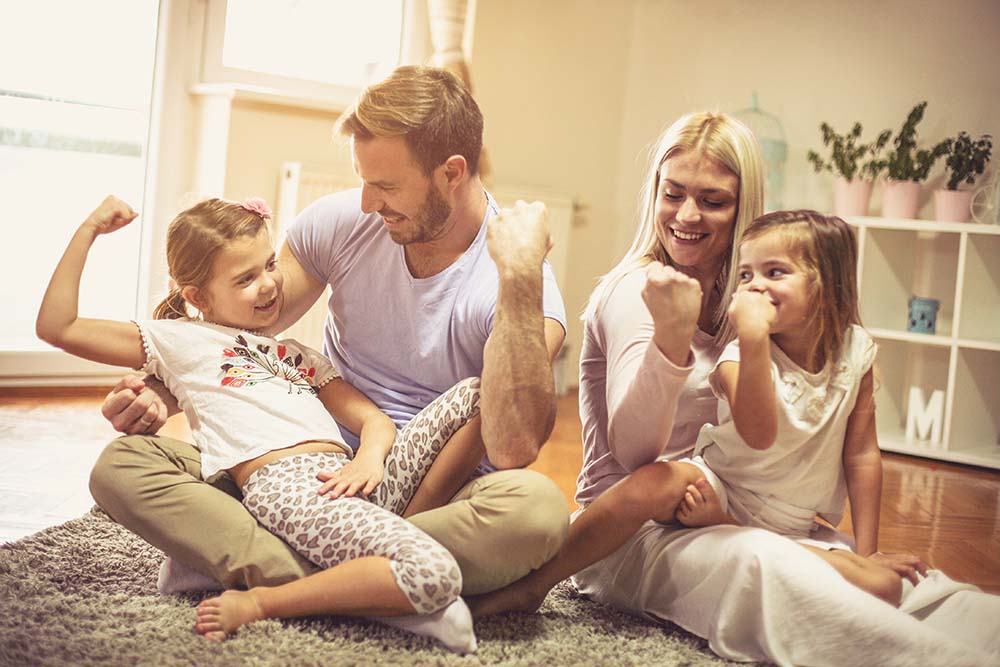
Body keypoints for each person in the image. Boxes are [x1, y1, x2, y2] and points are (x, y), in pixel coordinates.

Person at [480, 111, 1000, 666]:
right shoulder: (639, 289)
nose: (686, 215)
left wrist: (862, 552)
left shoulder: (759, 300)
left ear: (744, 206)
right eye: (673, 193)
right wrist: (672, 339)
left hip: (742, 512)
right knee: (772, 568)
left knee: (897, 584)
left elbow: (832, 429)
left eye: (713, 200)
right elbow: (638, 458)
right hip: (634, 532)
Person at [88, 66, 570, 606]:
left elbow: (512, 445)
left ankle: (279, 568)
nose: (367, 202)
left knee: (536, 511)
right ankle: (374, 583)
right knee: (123, 466)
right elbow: (243, 328)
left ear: (452, 172)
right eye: (364, 180)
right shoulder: (344, 221)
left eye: (386, 186)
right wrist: (161, 391)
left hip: (434, 496)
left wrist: (521, 276)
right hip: (301, 466)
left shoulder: (518, 282)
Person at [37, 194, 490, 650]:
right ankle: (272, 602)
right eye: (246, 278)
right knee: (436, 572)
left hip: (354, 477)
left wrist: (368, 461)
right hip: (287, 487)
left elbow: (374, 420)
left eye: (270, 265)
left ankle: (389, 552)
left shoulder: (294, 354)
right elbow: (59, 327)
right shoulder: (179, 340)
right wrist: (89, 229)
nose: (270, 284)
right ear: (196, 296)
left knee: (476, 392)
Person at [472, 209, 902, 615]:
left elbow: (862, 455)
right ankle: (535, 584)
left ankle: (744, 533)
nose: (754, 287)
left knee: (882, 586)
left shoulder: (855, 352)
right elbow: (758, 434)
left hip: (792, 518)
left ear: (827, 284)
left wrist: (868, 551)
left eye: (775, 273)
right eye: (747, 275)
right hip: (722, 486)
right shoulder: (739, 355)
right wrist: (752, 339)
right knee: (656, 480)